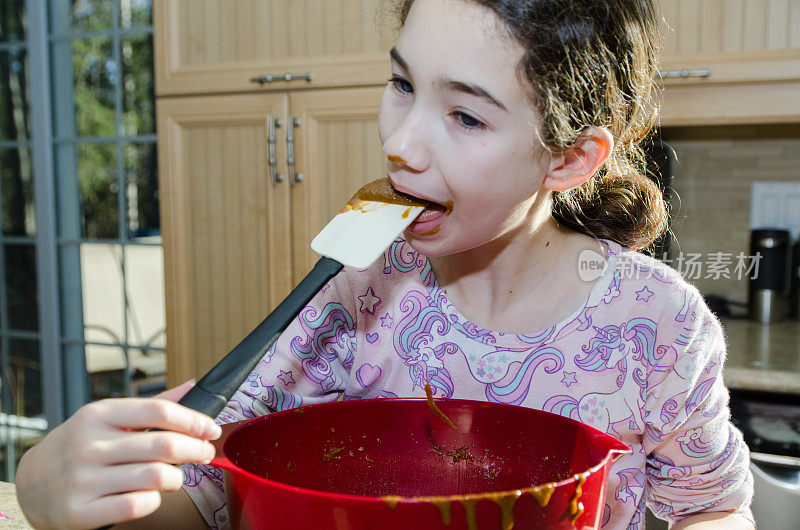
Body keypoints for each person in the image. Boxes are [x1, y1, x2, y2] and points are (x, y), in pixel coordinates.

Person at [15, 0, 755, 528]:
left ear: (568, 158)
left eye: (465, 115)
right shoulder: (363, 283)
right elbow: (212, 498)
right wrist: (74, 496)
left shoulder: (657, 324)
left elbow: (715, 507)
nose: (401, 142)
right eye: (402, 84)